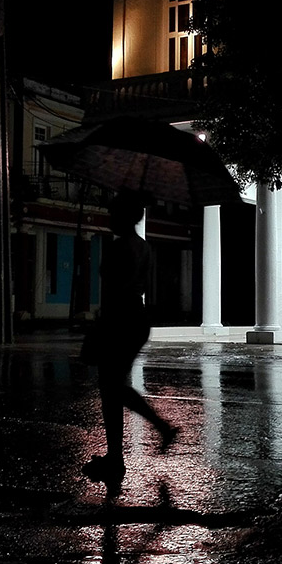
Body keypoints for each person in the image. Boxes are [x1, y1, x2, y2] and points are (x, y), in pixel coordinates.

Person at [82, 191, 177, 485]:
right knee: (112, 388)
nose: (109, 218)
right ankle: (116, 456)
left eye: (113, 214)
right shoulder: (144, 247)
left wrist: (102, 323)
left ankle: (156, 430)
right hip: (137, 317)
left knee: (111, 387)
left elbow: (114, 289)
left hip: (119, 318)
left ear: (124, 217)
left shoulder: (120, 247)